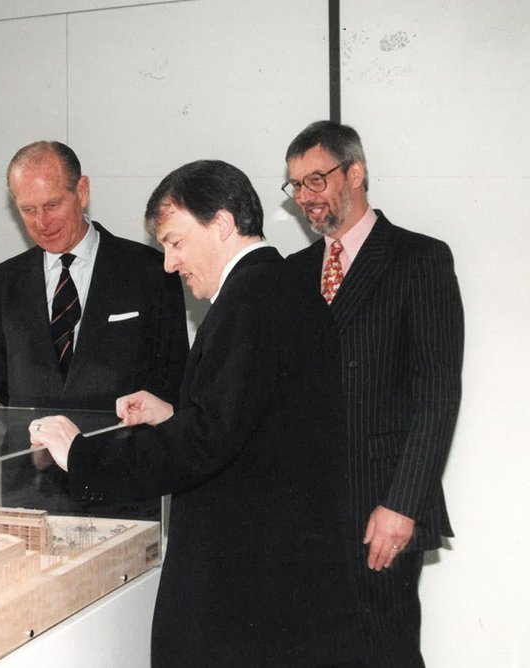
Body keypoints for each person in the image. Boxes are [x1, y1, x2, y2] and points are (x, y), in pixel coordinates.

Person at [29, 159, 365, 668]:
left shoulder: (249, 300)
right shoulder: (278, 286)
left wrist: (81, 454)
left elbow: (207, 441)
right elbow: (249, 424)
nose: (168, 263)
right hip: (281, 571)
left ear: (223, 224)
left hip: (247, 583)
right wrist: (173, 414)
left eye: (175, 241)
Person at [283, 120, 464, 668]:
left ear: (356, 172)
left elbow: (437, 394)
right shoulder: (291, 273)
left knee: (384, 652)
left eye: (317, 180)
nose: (306, 198)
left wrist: (402, 504)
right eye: (295, 186)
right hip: (307, 513)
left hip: (380, 508)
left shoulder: (420, 259)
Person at [0, 140, 189, 411]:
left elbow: (173, 381)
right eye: (28, 210)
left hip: (123, 450)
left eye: (52, 205)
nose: (42, 223)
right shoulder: (0, 285)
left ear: (82, 191)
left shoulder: (152, 271)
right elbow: (4, 389)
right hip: (32, 451)